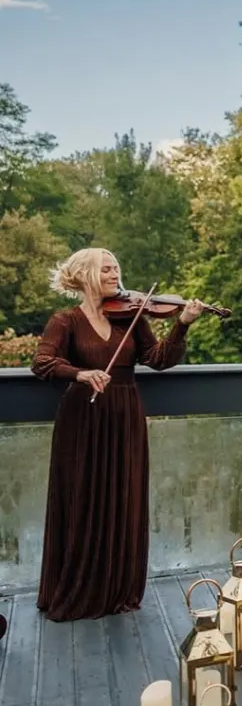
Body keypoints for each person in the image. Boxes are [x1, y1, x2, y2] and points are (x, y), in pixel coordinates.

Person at [31, 248, 205, 621]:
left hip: (125, 413)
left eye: (117, 268)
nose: (115, 274)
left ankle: (117, 588)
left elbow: (158, 358)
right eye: (106, 269)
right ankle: (80, 588)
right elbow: (42, 362)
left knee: (123, 496)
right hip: (84, 417)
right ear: (86, 275)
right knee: (84, 497)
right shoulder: (65, 321)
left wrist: (183, 324)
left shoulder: (132, 317)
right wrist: (80, 373)